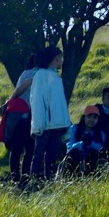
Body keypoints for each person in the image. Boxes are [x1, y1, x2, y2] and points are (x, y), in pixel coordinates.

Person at [29, 46, 71, 181]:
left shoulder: (55, 77)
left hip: (56, 124)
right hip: (45, 124)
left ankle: (50, 180)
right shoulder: (41, 75)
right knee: (39, 154)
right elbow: (37, 101)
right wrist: (38, 124)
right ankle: (33, 181)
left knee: (52, 155)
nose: (62, 60)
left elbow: (60, 104)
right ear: (56, 57)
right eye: (61, 56)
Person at [4, 53, 37, 182]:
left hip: (19, 116)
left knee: (17, 149)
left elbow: (18, 90)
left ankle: (15, 177)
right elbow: (21, 90)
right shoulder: (35, 74)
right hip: (28, 116)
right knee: (29, 148)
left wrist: (9, 102)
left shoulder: (25, 73)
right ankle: (24, 176)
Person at [61, 105, 106, 175]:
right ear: (83, 117)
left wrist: (90, 143)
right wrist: (82, 144)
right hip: (75, 158)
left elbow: (101, 148)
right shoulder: (74, 129)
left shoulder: (100, 133)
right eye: (89, 116)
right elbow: (69, 147)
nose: (91, 120)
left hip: (91, 159)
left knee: (93, 153)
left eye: (95, 117)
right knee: (74, 153)